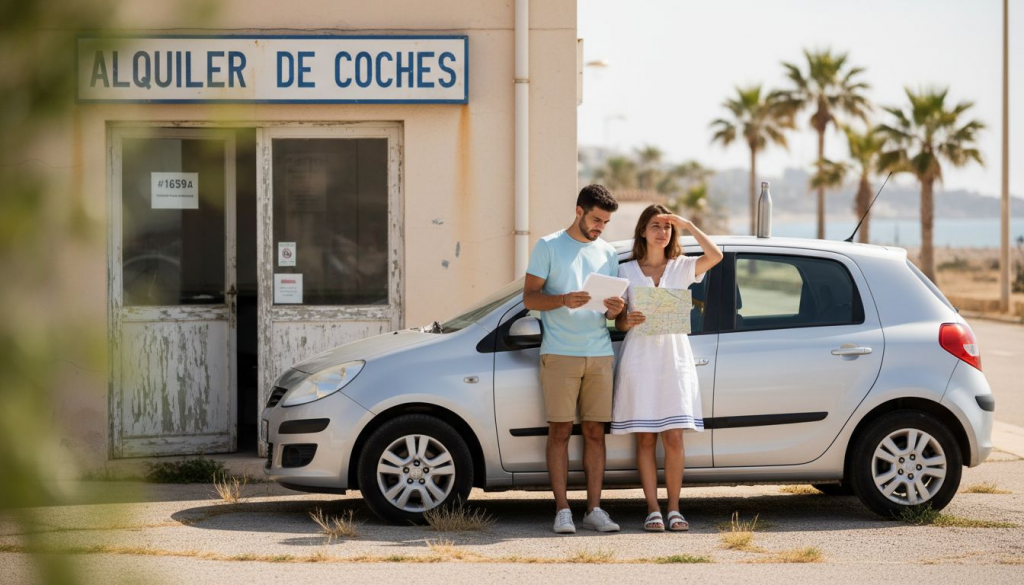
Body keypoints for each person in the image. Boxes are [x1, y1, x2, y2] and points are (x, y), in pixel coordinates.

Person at [612, 204, 723, 532]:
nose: (662, 231)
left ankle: (674, 508)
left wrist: (688, 224)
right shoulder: (626, 271)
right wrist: (625, 319)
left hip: (674, 362)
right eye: (655, 225)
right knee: (645, 439)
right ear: (643, 231)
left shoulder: (682, 267)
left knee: (673, 436)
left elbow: (715, 255)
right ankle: (652, 509)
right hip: (639, 360)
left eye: (667, 227)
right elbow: (617, 322)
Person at [523, 184, 625, 534]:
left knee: (596, 433)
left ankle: (594, 509)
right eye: (596, 219)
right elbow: (530, 299)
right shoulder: (548, 246)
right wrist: (563, 300)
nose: (600, 227)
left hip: (599, 354)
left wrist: (617, 308)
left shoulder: (608, 252)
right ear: (579, 210)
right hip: (560, 353)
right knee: (561, 431)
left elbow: (612, 313)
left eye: (606, 222)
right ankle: (563, 509)